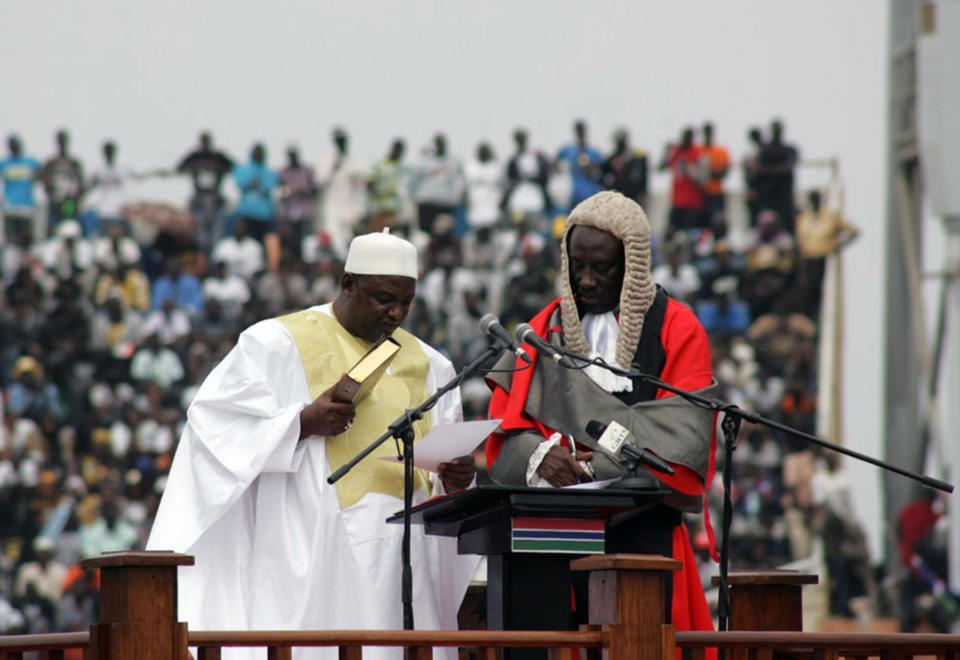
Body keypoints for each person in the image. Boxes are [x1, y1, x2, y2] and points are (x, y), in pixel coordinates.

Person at [147, 230, 480, 660]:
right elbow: (212, 431)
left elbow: (442, 466)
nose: (395, 313)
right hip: (315, 552)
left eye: (405, 302)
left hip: (406, 559)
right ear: (347, 284)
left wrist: (456, 480)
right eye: (382, 299)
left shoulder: (432, 364)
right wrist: (301, 423)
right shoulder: (275, 343)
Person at [484, 191, 716, 636]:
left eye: (601, 268)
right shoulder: (541, 330)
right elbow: (504, 434)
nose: (585, 281)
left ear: (633, 264)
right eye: (577, 266)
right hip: (551, 538)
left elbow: (683, 445)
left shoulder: (678, 328)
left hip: (644, 535)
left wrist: (594, 466)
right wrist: (539, 457)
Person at [176, 132, 234, 250]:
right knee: (200, 237)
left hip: (215, 199)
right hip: (199, 200)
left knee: (216, 237)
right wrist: (195, 166)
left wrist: (218, 167)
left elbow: (233, 167)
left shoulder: (217, 156)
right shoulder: (194, 156)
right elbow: (179, 168)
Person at [317, 128, 368, 256]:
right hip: (332, 208)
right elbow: (319, 181)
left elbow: (362, 183)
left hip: (350, 209)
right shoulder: (327, 160)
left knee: (349, 240)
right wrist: (335, 166)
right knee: (333, 238)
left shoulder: (354, 160)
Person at [409, 133, 467, 236]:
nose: (441, 146)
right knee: (425, 234)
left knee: (445, 234)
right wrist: (414, 199)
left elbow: (461, 182)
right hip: (427, 202)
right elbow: (413, 183)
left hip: (446, 203)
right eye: (438, 143)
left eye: (443, 143)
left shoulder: (454, 161)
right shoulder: (424, 162)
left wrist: (460, 197)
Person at [659, 127, 706, 235]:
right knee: (671, 233)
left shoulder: (698, 153)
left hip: (693, 204)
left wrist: (688, 168)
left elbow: (703, 179)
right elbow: (661, 167)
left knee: (689, 234)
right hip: (676, 202)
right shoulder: (676, 151)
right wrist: (666, 152)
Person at [38, 129, 85, 234]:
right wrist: (51, 194)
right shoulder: (51, 163)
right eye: (60, 140)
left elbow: (81, 183)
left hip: (69, 203)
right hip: (55, 202)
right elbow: (42, 179)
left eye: (63, 140)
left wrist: (75, 198)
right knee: (52, 229)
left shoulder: (74, 163)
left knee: (71, 227)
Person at [233, 143, 279, 243]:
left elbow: (269, 187)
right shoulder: (243, 169)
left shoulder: (269, 172)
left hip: (264, 215)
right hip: (247, 214)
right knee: (249, 243)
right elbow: (240, 184)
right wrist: (251, 183)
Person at [0, 135, 41, 243]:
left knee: (27, 242)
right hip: (10, 208)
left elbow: (42, 175)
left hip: (26, 208)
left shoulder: (30, 162)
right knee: (11, 243)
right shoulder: (4, 164)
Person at [555, 119, 603, 210]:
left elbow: (600, 170)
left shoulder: (593, 152)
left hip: (591, 194)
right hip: (575, 194)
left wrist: (589, 167)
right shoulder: (569, 150)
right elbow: (555, 162)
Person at [601, 128, 648, 206]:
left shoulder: (635, 157)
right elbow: (603, 174)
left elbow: (642, 176)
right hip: (616, 194)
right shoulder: (611, 158)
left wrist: (643, 192)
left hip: (632, 194)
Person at [699, 122, 730, 223]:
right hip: (700, 194)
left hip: (716, 193)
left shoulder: (721, 151)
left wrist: (706, 173)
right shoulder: (698, 151)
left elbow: (724, 171)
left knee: (718, 221)